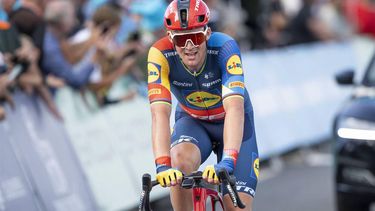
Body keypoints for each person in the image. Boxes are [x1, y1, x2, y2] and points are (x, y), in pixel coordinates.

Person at [146, 0, 259, 211]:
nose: (189, 47)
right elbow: (159, 114)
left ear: (207, 33)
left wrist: (228, 161)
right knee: (178, 164)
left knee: (236, 207)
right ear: (171, 39)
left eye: (196, 37)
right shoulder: (159, 54)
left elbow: (234, 109)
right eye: (181, 40)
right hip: (193, 123)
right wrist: (163, 165)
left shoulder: (225, 47)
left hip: (231, 122)